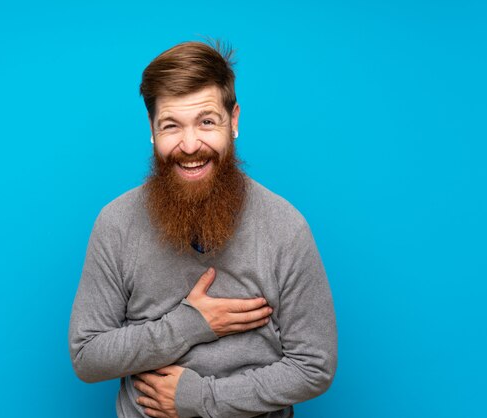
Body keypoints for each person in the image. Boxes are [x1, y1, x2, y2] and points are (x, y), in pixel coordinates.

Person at [69, 40, 337, 418]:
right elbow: (86, 356)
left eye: (206, 122)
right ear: (151, 129)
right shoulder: (116, 223)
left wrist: (200, 398)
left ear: (235, 120)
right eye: (171, 126)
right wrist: (189, 324)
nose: (190, 144)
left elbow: (315, 366)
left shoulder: (285, 229)